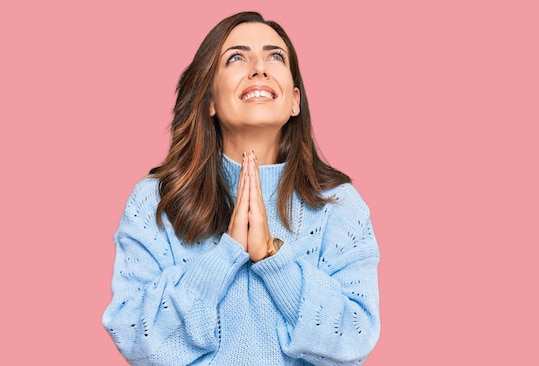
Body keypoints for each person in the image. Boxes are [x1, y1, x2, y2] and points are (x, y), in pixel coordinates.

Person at [102, 11, 381, 366]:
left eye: (275, 56)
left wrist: (273, 259)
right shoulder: (156, 201)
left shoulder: (339, 206)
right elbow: (133, 336)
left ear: (295, 100)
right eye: (236, 57)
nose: (259, 68)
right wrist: (225, 256)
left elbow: (356, 337)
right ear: (210, 101)